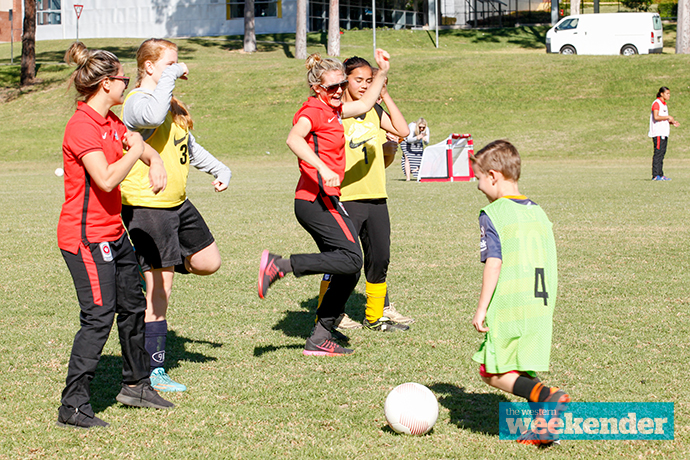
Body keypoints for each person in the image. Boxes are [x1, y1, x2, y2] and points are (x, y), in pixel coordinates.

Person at [57, 42, 173, 429]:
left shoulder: (111, 122)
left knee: (133, 306)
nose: (128, 82)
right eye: (123, 78)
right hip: (85, 238)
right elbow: (106, 179)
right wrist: (137, 148)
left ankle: (137, 385)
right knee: (98, 317)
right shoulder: (82, 126)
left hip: (113, 233)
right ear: (107, 83)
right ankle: (73, 407)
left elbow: (136, 148)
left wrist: (153, 158)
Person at [258, 49, 391, 356]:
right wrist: (323, 168)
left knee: (349, 267)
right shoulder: (313, 111)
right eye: (331, 87)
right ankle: (279, 265)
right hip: (313, 199)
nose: (338, 91)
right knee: (352, 259)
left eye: (340, 85)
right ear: (318, 88)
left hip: (328, 198)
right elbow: (294, 139)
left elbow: (367, 103)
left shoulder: (333, 110)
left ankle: (320, 337)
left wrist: (382, 71)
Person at [121, 38, 231, 392]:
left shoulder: (171, 104)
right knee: (160, 289)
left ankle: (149, 267)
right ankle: (153, 370)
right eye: (169, 63)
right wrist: (172, 76)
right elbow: (151, 116)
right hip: (147, 204)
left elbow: (189, 147)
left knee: (208, 261)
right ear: (149, 67)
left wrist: (220, 169)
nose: (178, 68)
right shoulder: (137, 104)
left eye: (178, 63)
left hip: (178, 203)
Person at [469, 140, 569, 446]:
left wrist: (482, 307)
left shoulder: (493, 213)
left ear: (494, 176)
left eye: (478, 178)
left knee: (491, 371)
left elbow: (495, 263)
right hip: (541, 299)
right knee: (521, 365)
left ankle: (548, 395)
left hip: (512, 300)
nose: (477, 186)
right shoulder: (538, 211)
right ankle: (544, 426)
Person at [318, 56, 413, 333]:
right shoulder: (338, 111)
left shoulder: (374, 111)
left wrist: (384, 93)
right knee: (343, 260)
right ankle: (329, 314)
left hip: (376, 196)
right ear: (345, 81)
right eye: (358, 80)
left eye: (368, 81)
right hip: (345, 197)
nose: (364, 85)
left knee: (379, 258)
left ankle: (375, 317)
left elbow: (403, 131)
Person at [648, 86, 679, 181]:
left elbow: (663, 119)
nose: (669, 95)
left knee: (662, 154)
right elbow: (656, 117)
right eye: (667, 93)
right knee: (658, 154)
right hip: (658, 133)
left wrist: (672, 122)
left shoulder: (664, 104)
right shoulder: (656, 103)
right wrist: (668, 116)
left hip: (664, 133)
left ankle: (660, 174)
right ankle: (655, 175)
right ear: (662, 94)